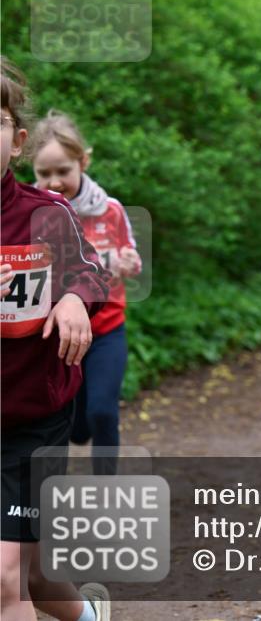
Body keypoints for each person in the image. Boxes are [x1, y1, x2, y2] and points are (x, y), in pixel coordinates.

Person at [1, 57, 112, 621]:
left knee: (9, 577)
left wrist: (72, 296)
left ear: (16, 140)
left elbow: (92, 269)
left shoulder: (45, 212)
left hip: (32, 420)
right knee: (41, 574)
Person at [31, 111, 142, 476]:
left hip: (107, 330)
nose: (54, 181)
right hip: (59, 338)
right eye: (44, 173)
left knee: (103, 412)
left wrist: (130, 263)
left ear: (83, 161)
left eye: (62, 170)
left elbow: (131, 256)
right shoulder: (34, 214)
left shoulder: (110, 211)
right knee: (74, 425)